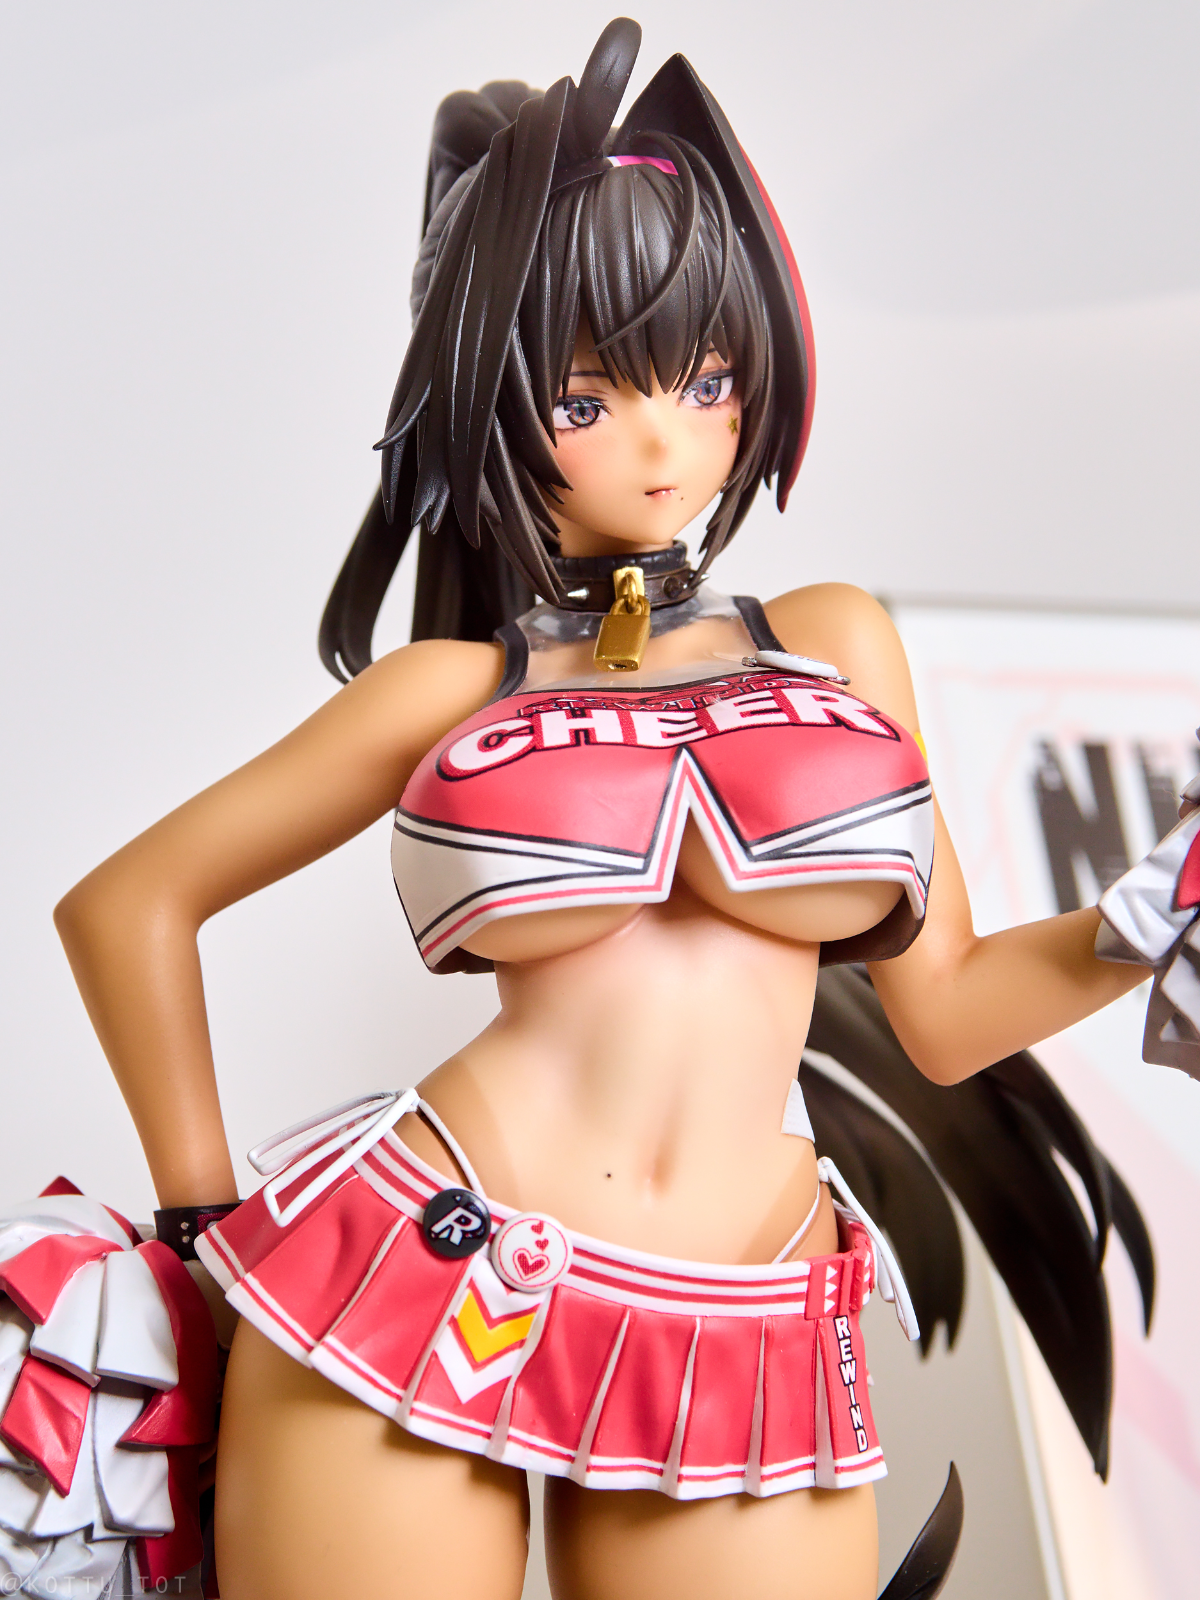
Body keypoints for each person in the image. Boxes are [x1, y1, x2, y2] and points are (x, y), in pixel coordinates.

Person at [42, 19, 1162, 1600]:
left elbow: (954, 1015)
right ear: (492, 400)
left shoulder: (834, 640)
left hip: (742, 1317)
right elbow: (129, 903)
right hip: (422, 1274)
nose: (662, 439)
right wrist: (199, 1234)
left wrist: (1149, 916)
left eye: (707, 382)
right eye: (588, 395)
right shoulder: (452, 686)